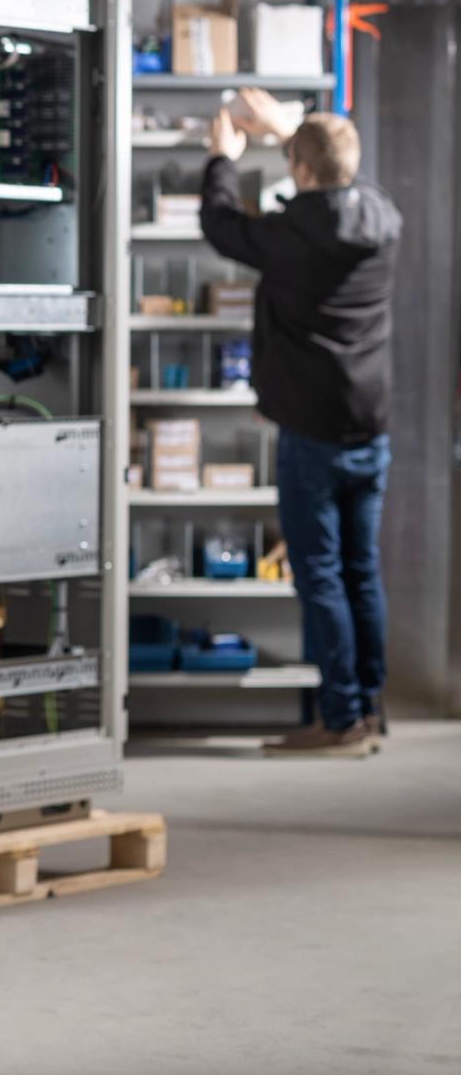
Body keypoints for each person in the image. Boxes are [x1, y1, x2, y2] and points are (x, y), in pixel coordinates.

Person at [201, 88, 401, 758]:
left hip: (311, 432)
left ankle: (340, 721)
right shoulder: (382, 218)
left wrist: (224, 158)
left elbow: (221, 224)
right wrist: (297, 135)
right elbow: (344, 181)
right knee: (361, 570)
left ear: (302, 172)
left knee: (318, 575)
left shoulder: (289, 237)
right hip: (370, 427)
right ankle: (370, 708)